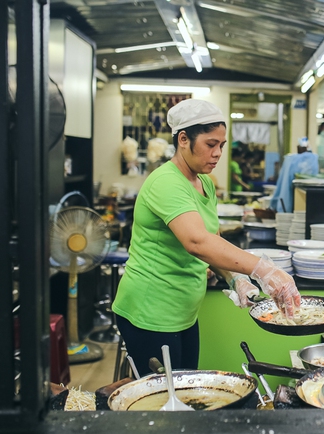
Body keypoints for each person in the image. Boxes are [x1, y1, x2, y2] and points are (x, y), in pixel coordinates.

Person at [112, 99, 301, 376]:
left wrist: (235, 278)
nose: (217, 153)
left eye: (221, 146)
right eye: (210, 144)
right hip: (150, 313)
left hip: (184, 313)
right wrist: (263, 269)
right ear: (184, 139)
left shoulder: (204, 183)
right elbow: (196, 241)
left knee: (186, 393)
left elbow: (212, 239)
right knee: (163, 406)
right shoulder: (165, 181)